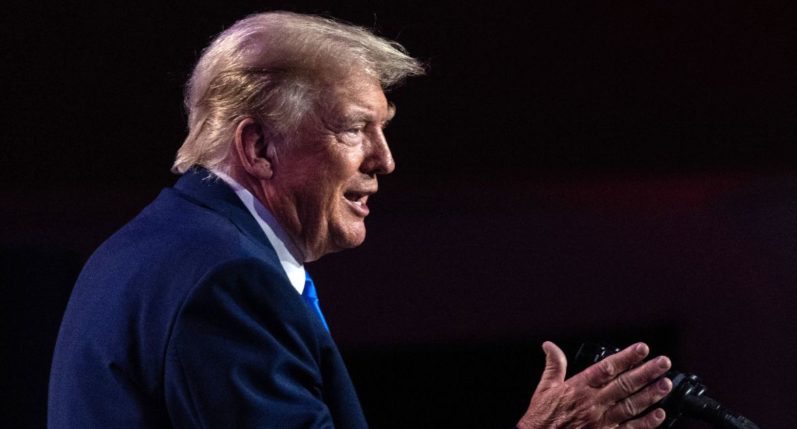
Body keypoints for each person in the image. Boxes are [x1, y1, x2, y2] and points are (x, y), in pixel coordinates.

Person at [48, 11, 673, 428]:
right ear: (259, 147)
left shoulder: (154, 246)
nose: (385, 160)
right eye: (354, 129)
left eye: (384, 130)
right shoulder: (226, 284)